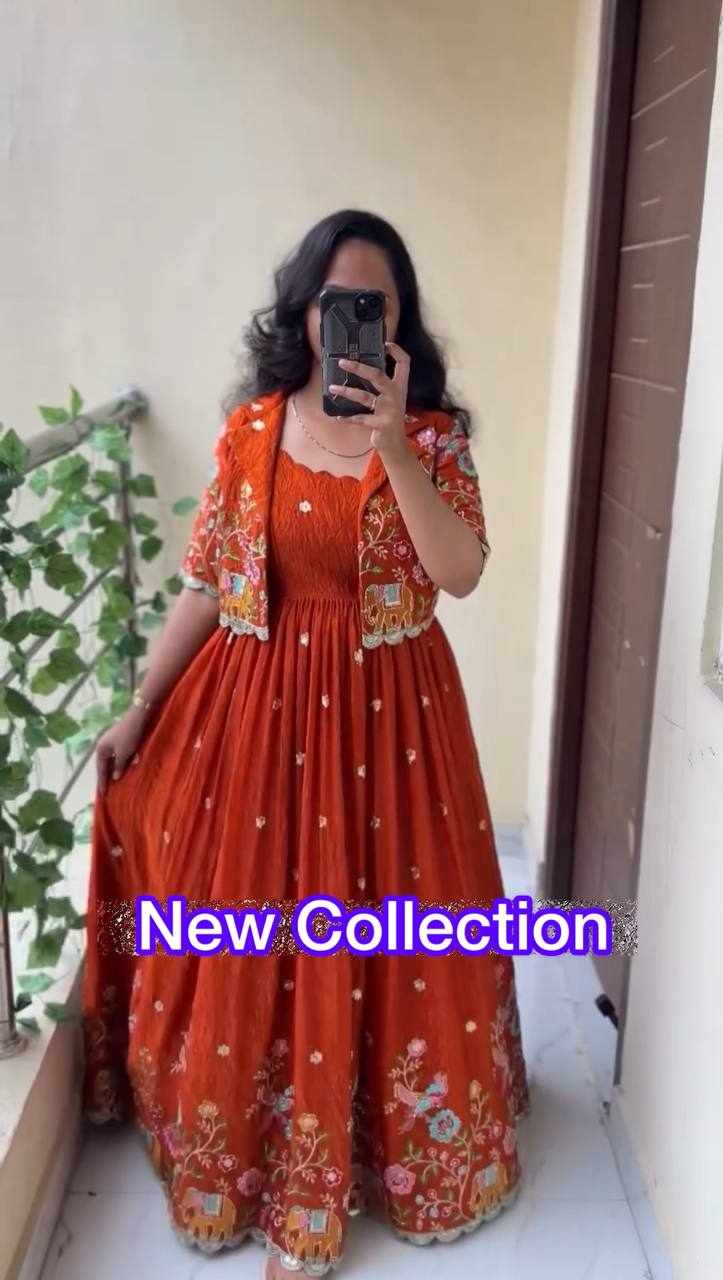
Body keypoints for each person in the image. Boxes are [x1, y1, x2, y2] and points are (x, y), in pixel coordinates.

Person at [81, 209, 529, 1279]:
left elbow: (459, 573)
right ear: (306, 312)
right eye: (336, 303)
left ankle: (379, 1156)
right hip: (261, 724)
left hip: (397, 732)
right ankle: (258, 1157)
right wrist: (141, 704)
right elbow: (206, 584)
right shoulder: (250, 432)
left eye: (374, 305)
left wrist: (392, 444)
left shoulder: (431, 437)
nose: (352, 322)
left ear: (399, 322)